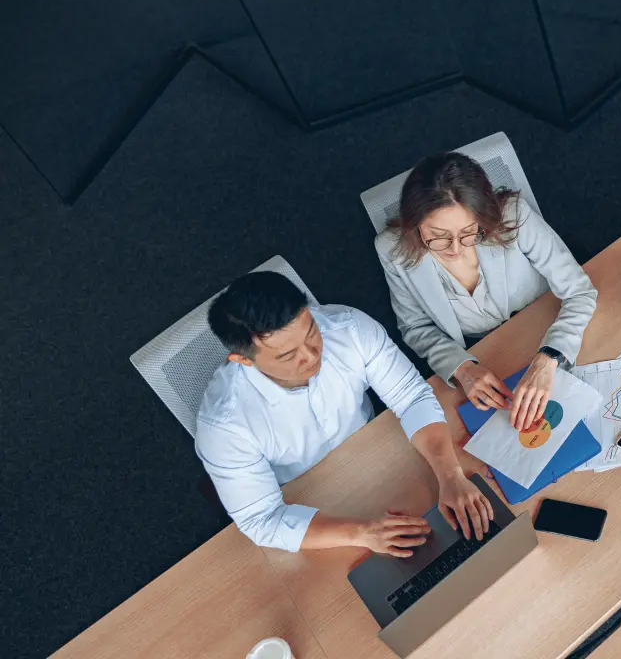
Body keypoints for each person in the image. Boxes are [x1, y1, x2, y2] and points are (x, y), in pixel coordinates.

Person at [195, 271, 494, 554]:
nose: (312, 355)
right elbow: (261, 519)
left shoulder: (349, 327)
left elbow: (412, 397)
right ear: (243, 360)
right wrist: (362, 533)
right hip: (306, 497)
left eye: (311, 332)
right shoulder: (224, 427)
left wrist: (451, 477)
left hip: (377, 450)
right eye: (288, 355)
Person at [375, 152, 597, 431]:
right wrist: (462, 368)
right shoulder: (391, 250)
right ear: (414, 223)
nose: (456, 249)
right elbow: (415, 327)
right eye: (439, 237)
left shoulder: (513, 216)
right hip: (485, 353)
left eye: (469, 232)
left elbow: (580, 292)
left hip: (548, 324)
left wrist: (549, 357)